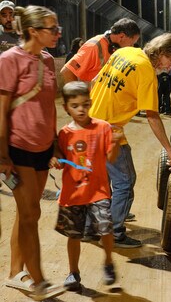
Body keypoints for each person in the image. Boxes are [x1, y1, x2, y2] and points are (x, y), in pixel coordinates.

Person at [89, 33, 171, 248]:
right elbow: (152, 116)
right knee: (125, 181)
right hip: (109, 132)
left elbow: (95, 81)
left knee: (100, 181)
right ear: (161, 53)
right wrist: (170, 151)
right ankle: (114, 232)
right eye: (170, 62)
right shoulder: (146, 72)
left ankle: (89, 227)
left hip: (90, 124)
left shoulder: (125, 51)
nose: (170, 68)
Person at [0, 5, 65, 300]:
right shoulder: (9, 60)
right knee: (29, 214)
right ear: (33, 31)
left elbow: (49, 105)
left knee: (29, 214)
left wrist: (54, 142)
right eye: (52, 28)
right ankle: (37, 279)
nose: (57, 32)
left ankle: (15, 273)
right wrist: (2, 155)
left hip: (41, 147)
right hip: (17, 147)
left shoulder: (48, 61)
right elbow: (1, 109)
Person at [53, 81, 122, 292]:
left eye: (84, 104)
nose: (80, 109)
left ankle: (108, 262)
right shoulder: (64, 134)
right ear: (66, 107)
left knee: (106, 227)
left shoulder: (102, 127)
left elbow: (110, 157)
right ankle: (73, 273)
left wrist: (116, 142)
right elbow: (59, 156)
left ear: (90, 103)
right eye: (75, 105)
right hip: (72, 194)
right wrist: (55, 159)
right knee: (74, 235)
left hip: (98, 191)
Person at [61, 18, 140, 84]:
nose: (131, 47)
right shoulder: (93, 47)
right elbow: (67, 71)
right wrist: (78, 99)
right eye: (131, 43)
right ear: (122, 36)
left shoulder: (116, 48)